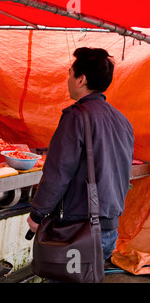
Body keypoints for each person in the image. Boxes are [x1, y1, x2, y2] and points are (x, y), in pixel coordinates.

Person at [27, 47, 134, 262]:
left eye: (69, 73)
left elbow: (58, 172)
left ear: (80, 80)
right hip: (109, 229)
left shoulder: (76, 117)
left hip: (77, 229)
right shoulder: (123, 121)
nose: (67, 79)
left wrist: (37, 214)